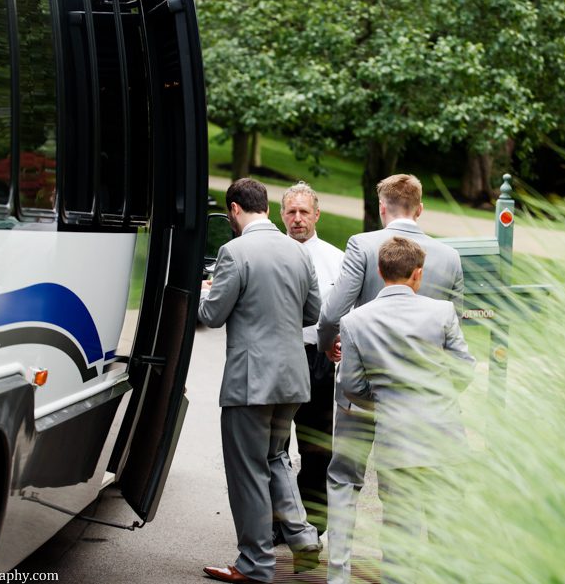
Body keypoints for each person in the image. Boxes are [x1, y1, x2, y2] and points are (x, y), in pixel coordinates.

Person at [316, 173, 464, 584]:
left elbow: (332, 314)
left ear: (382, 208)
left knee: (345, 478)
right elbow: (457, 329)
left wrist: (331, 346)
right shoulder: (449, 256)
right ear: (420, 208)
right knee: (419, 486)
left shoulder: (361, 245)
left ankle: (339, 574)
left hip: (360, 390)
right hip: (421, 400)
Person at [198, 178, 323, 584]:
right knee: (276, 459)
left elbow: (212, 315)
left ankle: (255, 563)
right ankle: (304, 539)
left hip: (251, 381)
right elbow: (313, 311)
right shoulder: (299, 252)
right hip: (292, 378)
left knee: (248, 469)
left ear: (234, 209)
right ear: (267, 209)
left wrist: (205, 292)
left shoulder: (233, 252)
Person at [338, 236, 475, 584]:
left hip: (396, 439)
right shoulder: (441, 311)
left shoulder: (356, 321)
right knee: (449, 532)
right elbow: (465, 367)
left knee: (399, 534)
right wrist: (440, 394)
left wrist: (384, 400)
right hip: (444, 435)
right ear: (418, 274)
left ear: (381, 272)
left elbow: (352, 386)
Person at [278, 182, 344, 536]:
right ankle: (275, 522)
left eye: (305, 211)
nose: (298, 218)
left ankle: (312, 524)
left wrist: (340, 342)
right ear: (281, 215)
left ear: (317, 214)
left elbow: (350, 310)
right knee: (275, 446)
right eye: (292, 211)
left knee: (318, 447)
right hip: (277, 357)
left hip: (316, 359)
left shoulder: (337, 259)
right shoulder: (270, 254)